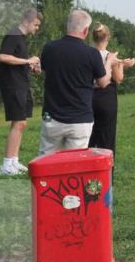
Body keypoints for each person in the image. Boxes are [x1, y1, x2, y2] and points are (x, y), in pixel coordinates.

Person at [38, 9, 117, 156]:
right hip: (80, 120)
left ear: (67, 26)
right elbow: (103, 82)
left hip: (51, 117)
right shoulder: (91, 54)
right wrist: (109, 61)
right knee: (73, 165)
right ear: (86, 30)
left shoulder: (49, 48)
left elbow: (43, 71)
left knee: (46, 162)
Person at [0, 8, 42, 175]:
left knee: (21, 123)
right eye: (36, 25)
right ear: (27, 21)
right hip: (12, 85)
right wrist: (28, 60)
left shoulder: (21, 38)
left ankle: (13, 161)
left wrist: (30, 65)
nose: (37, 28)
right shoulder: (13, 34)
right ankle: (6, 165)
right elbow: (3, 56)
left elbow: (16, 60)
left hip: (21, 83)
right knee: (19, 122)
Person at [88, 23, 135, 155]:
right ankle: (105, 171)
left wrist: (121, 62)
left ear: (93, 37)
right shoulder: (110, 56)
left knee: (89, 136)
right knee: (106, 138)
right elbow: (118, 78)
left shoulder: (87, 53)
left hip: (88, 97)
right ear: (108, 37)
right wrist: (122, 65)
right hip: (106, 98)